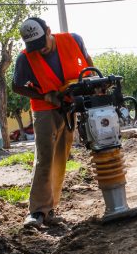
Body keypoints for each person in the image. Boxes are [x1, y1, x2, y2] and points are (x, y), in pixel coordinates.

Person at [12, 17, 94, 228]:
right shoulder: (25, 58)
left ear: (49, 31)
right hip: (45, 109)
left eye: (42, 44)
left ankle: (50, 209)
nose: (40, 51)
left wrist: (94, 85)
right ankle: (37, 211)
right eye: (34, 48)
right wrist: (45, 96)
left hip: (69, 106)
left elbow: (88, 64)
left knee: (61, 157)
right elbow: (17, 86)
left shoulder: (73, 40)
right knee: (45, 156)